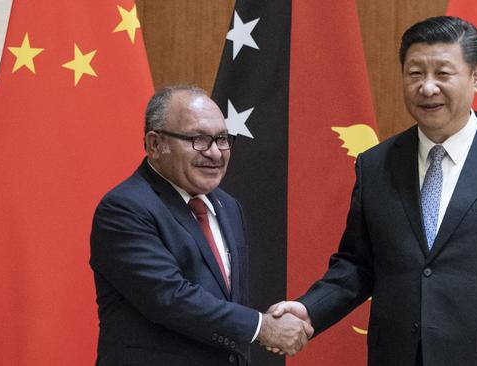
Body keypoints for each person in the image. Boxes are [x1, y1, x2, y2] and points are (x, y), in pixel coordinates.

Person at [269, 16, 477, 366]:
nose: (427, 88)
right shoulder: (375, 164)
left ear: (476, 77)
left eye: (443, 74)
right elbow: (357, 264)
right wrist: (310, 310)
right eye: (415, 73)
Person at [90, 85, 312, 365]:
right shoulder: (125, 208)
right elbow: (170, 298)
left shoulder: (228, 207)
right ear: (156, 144)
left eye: (221, 139)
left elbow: (229, 303)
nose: (216, 153)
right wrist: (262, 327)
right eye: (198, 139)